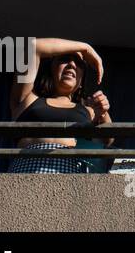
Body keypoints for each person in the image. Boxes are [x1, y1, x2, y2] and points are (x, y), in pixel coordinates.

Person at [8, 38, 112, 173]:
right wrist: (85, 48)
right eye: (65, 59)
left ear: (81, 81)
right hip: (26, 169)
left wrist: (103, 113)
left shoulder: (89, 111)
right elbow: (33, 48)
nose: (72, 65)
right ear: (51, 69)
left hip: (70, 171)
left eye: (79, 63)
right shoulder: (27, 98)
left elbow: (107, 140)